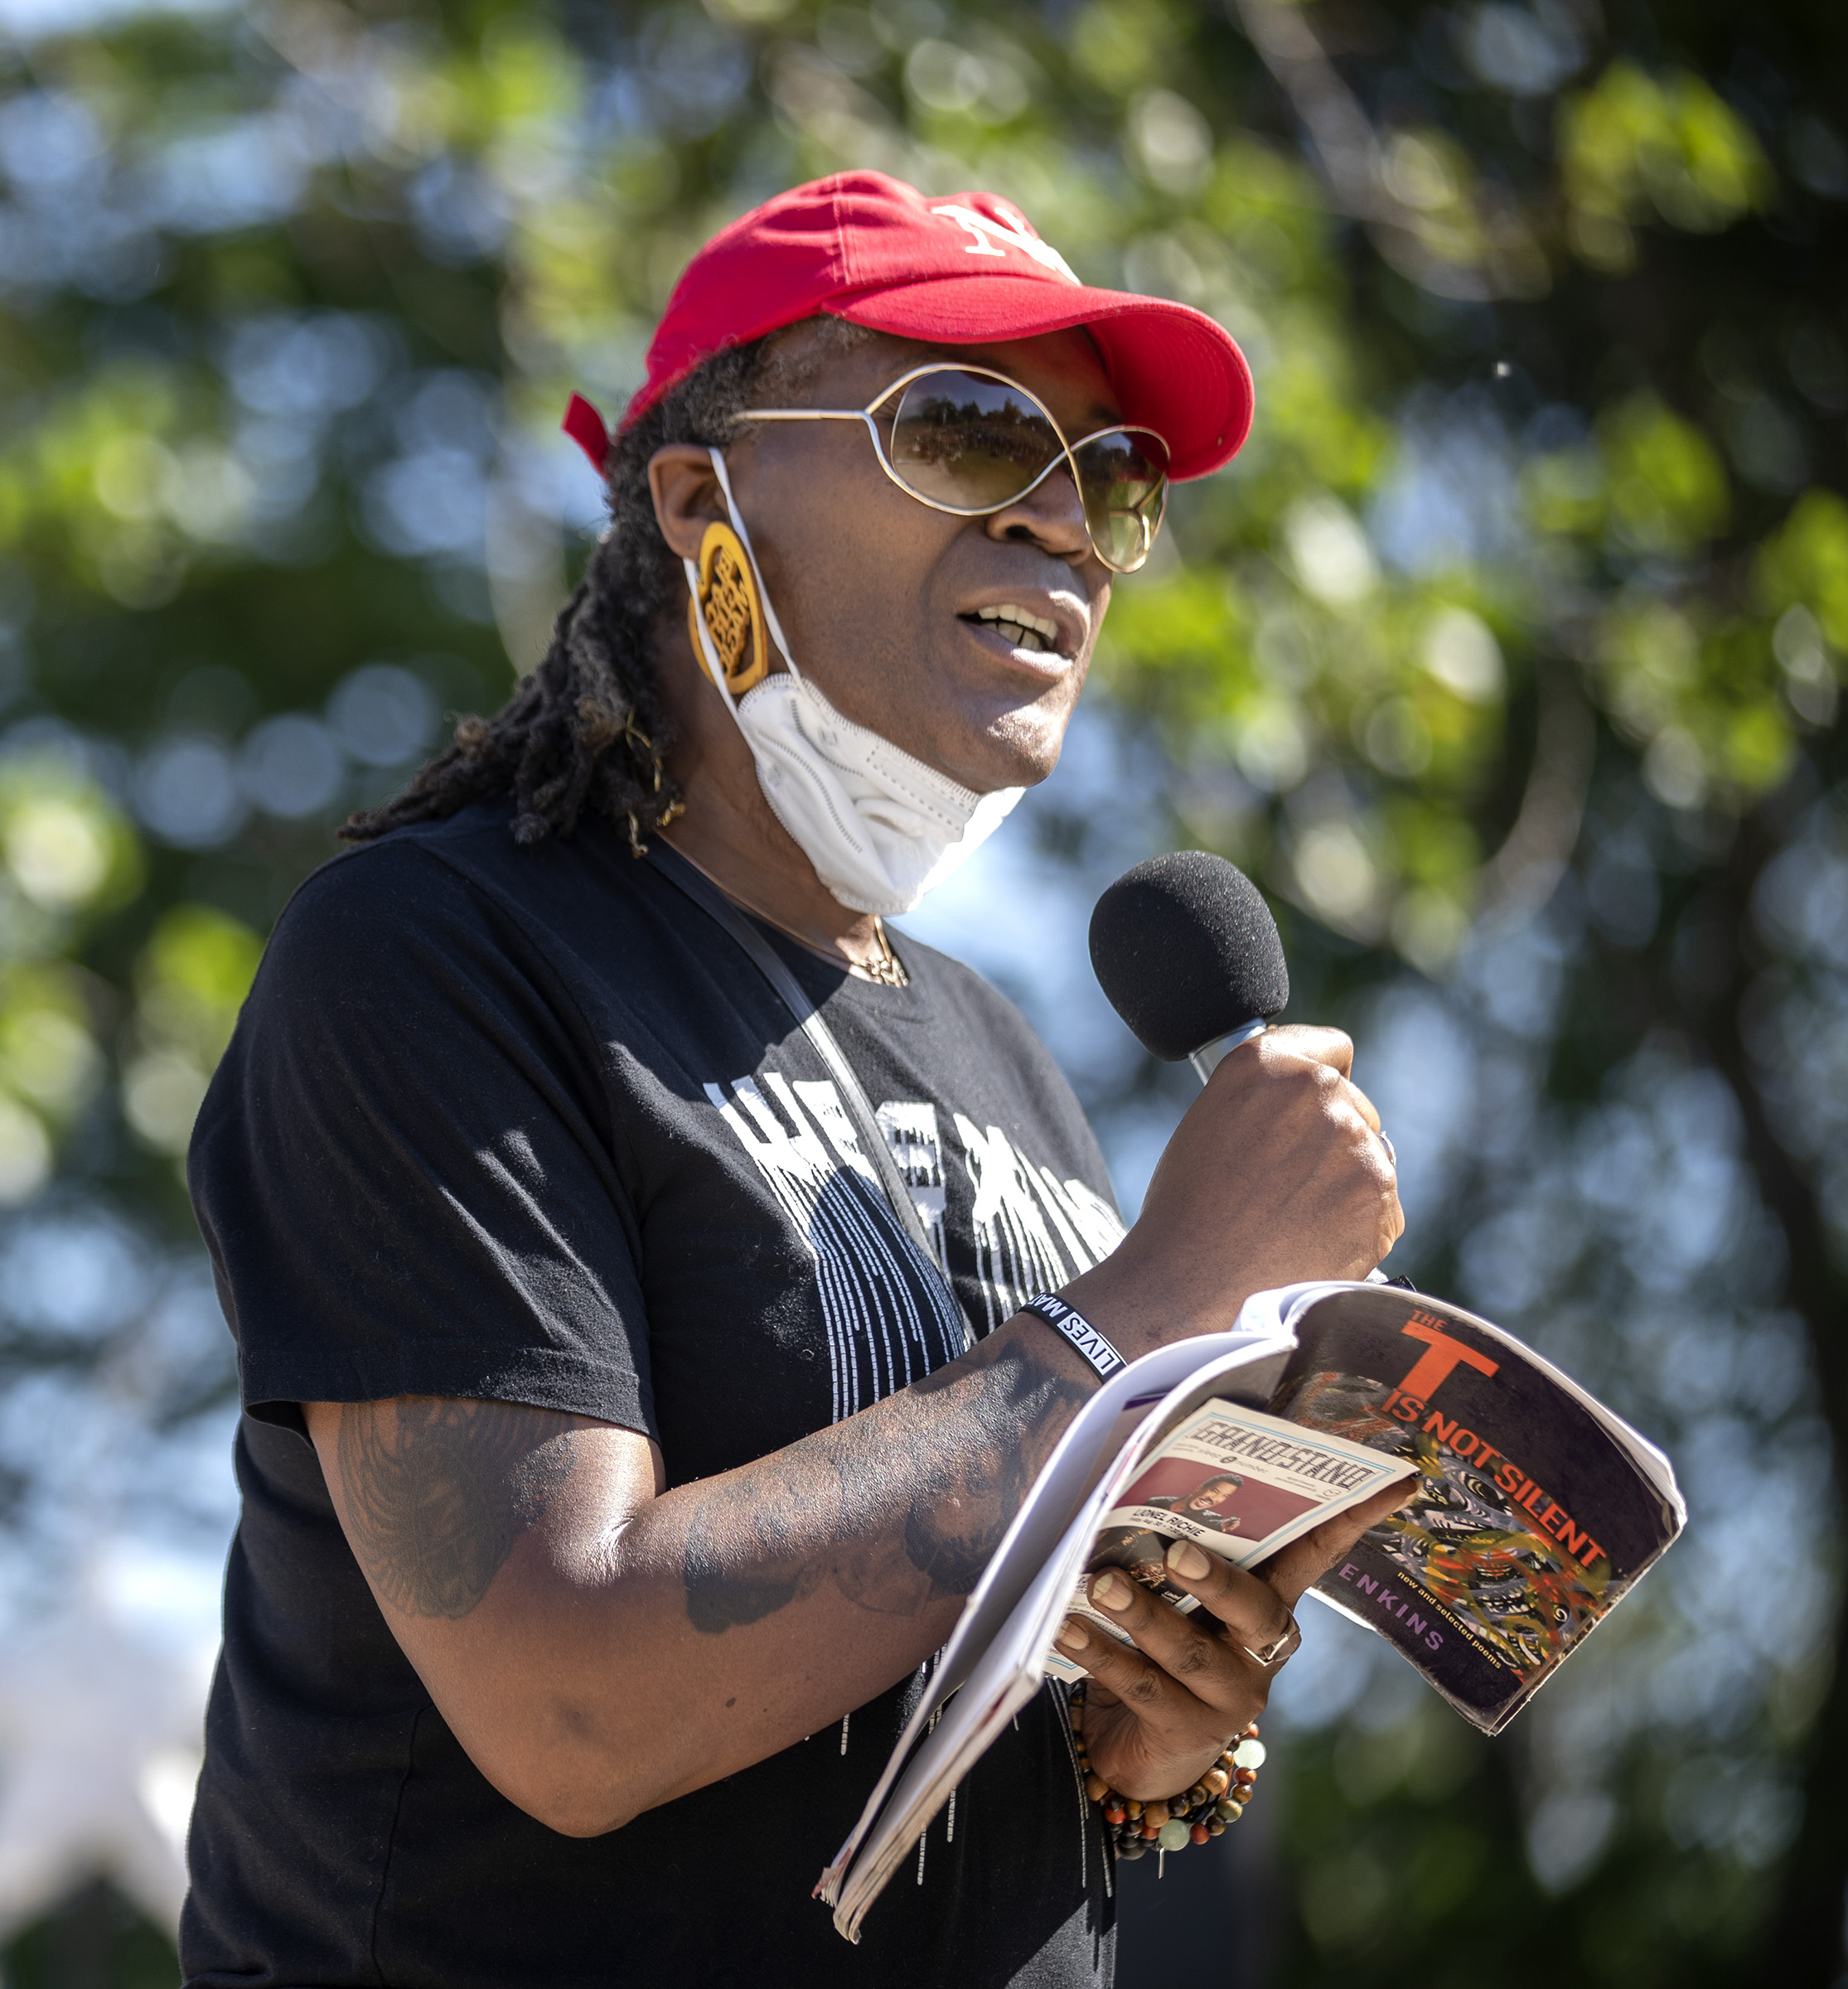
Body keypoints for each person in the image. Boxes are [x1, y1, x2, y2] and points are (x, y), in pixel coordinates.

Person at [180, 172, 1416, 1986]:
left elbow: (962, 1688)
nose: (1069, 525)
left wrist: (1165, 1742)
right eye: (980, 432)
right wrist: (1140, 1307)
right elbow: (570, 1700)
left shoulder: (1012, 1064)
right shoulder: (437, 951)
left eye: (1115, 477)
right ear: (705, 503)